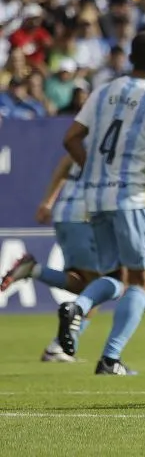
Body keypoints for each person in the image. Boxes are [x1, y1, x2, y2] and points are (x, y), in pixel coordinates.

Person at [56, 30, 145, 375]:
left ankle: (79, 306)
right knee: (143, 280)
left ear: (129, 58)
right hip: (133, 197)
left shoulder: (104, 91)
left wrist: (92, 169)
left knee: (116, 277)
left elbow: (71, 138)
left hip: (97, 197)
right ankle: (110, 358)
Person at [1, 155, 100, 362]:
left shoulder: (83, 139)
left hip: (65, 213)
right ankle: (59, 347)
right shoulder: (108, 140)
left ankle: (58, 346)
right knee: (100, 287)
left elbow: (64, 165)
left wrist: (48, 202)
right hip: (84, 217)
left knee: (90, 287)